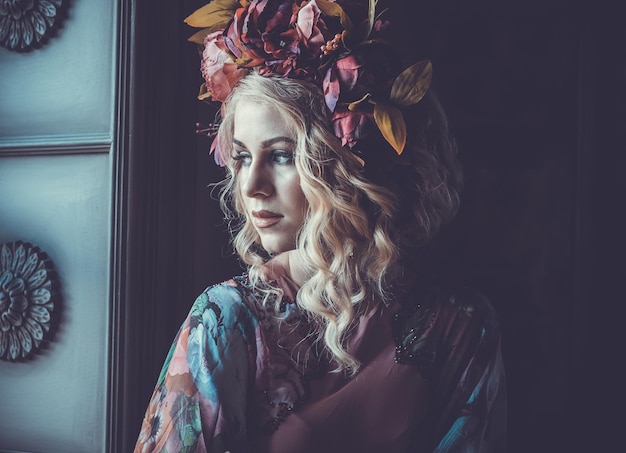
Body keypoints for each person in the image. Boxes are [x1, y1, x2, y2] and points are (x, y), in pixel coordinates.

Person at [135, 1, 507, 452]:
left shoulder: (458, 326)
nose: (251, 186)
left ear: (346, 162)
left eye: (281, 156)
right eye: (242, 157)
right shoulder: (228, 320)